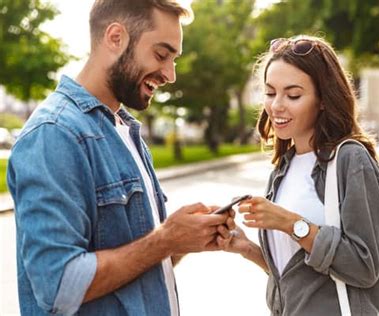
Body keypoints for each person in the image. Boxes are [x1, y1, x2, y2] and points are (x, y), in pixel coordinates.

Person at [7, 1, 232, 315]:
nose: (170, 74)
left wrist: (179, 242)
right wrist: (164, 240)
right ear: (115, 38)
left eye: (174, 59)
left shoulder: (124, 129)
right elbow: (57, 284)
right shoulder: (55, 134)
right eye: (161, 54)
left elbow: (134, 268)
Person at [218, 36, 379, 315]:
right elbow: (304, 281)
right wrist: (248, 249)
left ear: (323, 99)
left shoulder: (350, 159)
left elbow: (364, 267)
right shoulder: (283, 169)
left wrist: (290, 223)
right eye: (269, 92)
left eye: (293, 95)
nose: (277, 105)